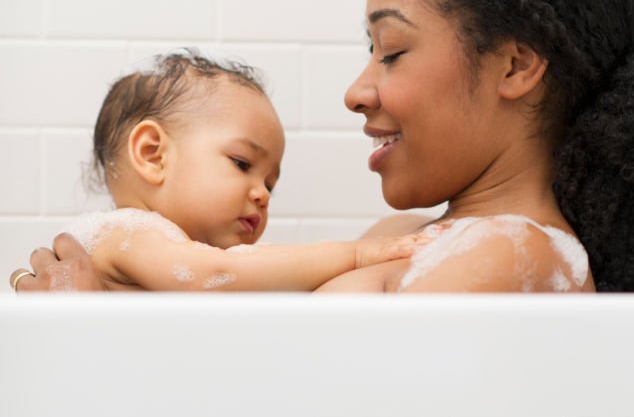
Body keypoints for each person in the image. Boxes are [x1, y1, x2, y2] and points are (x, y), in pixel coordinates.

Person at [10, 0, 634, 295]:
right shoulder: (412, 234)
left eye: (393, 51)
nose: (356, 90)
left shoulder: (509, 254)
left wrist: (94, 338)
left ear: (515, 67)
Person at [10, 51, 424, 292]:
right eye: (242, 164)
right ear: (153, 155)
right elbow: (217, 273)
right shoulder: (129, 233)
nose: (261, 194)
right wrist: (354, 254)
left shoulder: (163, 245)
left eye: (270, 184)